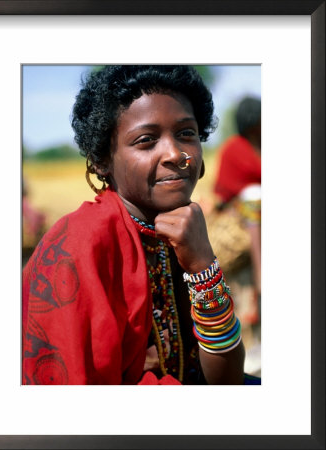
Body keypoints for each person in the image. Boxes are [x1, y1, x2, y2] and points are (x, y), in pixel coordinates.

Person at [22, 65, 246, 385]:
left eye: (186, 133)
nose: (175, 153)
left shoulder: (177, 233)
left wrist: (202, 265)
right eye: (146, 140)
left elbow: (227, 381)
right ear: (102, 160)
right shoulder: (81, 244)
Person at [214, 96, 261, 323]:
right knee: (254, 197)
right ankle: (261, 272)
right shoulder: (234, 149)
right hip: (239, 215)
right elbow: (222, 193)